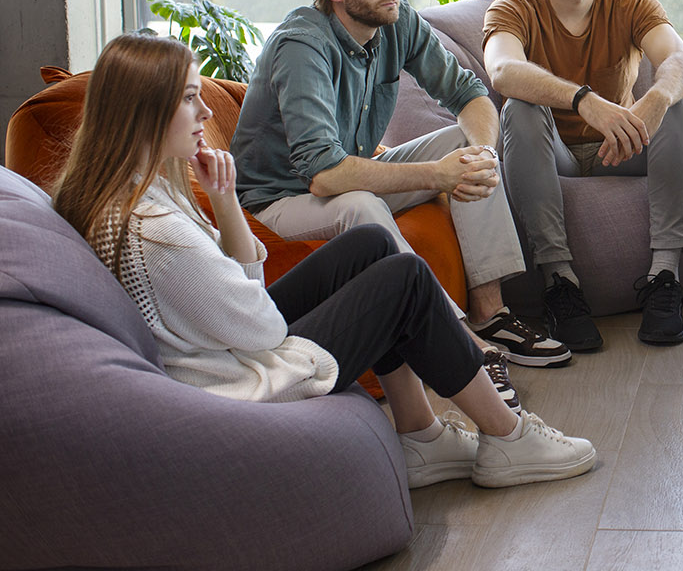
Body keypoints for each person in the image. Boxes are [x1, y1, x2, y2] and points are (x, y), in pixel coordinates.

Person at [51, 34, 596, 490]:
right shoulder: (157, 234)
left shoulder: (134, 194)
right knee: (403, 279)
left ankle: (420, 434)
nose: (206, 111)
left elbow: (244, 287)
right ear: (146, 111)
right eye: (190, 98)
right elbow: (262, 325)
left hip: (229, 343)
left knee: (373, 246)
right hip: (239, 381)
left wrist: (224, 201)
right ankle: (507, 437)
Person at [231, 0, 571, 393]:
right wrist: (437, 175)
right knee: (363, 208)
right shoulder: (302, 46)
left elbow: (468, 92)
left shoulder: (396, 19)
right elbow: (325, 175)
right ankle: (459, 339)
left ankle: (491, 314)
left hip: (348, 173)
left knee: (464, 144)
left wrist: (481, 154)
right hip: (281, 199)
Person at [483, 0, 683, 351]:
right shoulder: (513, 7)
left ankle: (665, 277)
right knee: (518, 108)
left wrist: (657, 96)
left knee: (676, 103)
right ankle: (560, 283)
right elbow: (501, 71)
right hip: (551, 156)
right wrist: (582, 100)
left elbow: (680, 59)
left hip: (620, 149)